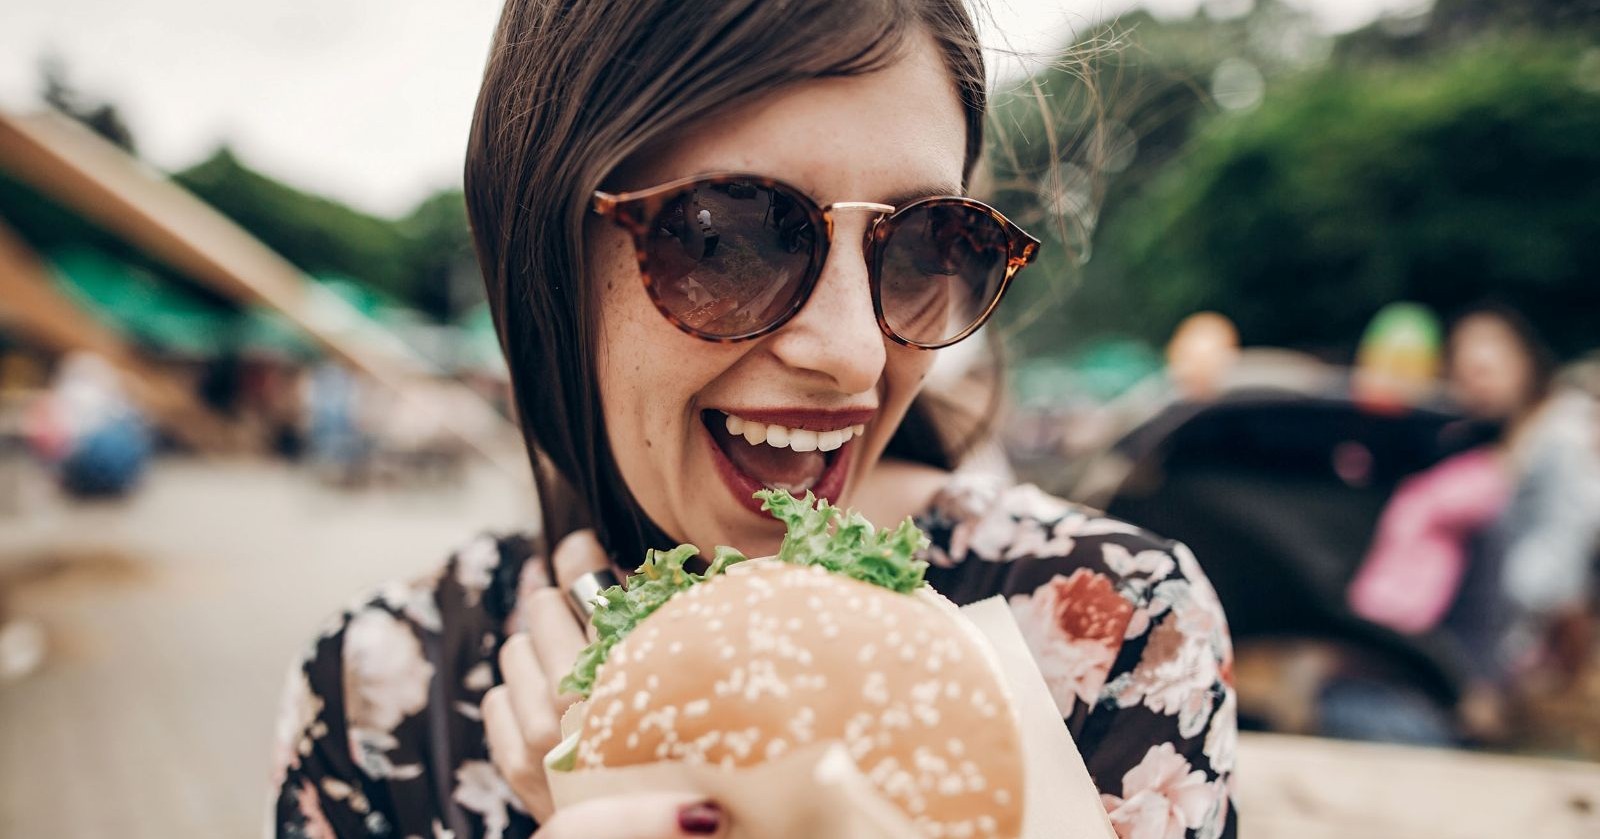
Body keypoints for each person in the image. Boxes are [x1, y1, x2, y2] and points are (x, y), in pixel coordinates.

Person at [270, 3, 1238, 838]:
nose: (853, 351)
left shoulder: (1109, 628)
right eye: (725, 237)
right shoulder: (381, 690)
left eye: (921, 245)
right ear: (545, 258)